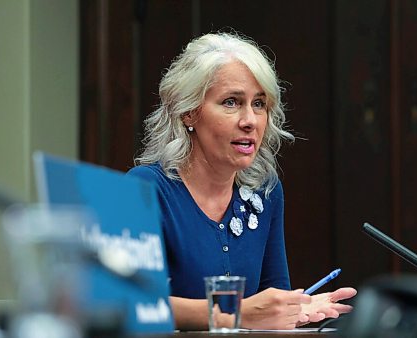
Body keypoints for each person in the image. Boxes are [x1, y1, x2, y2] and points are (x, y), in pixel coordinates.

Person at [128, 32, 357, 330]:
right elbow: (132, 303)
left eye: (259, 104)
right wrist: (235, 313)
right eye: (232, 102)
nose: (250, 120)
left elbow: (272, 298)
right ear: (189, 113)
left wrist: (290, 310)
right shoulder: (145, 188)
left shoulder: (266, 191)